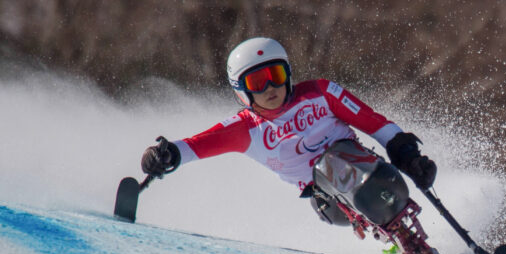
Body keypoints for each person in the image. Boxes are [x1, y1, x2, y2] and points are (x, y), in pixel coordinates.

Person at [141, 37, 436, 226]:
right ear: (242, 92)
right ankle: (392, 239)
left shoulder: (321, 92)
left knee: (357, 170)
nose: (270, 88)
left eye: (276, 76)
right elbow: (196, 145)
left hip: (367, 169)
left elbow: (373, 122)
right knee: (335, 170)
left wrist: (406, 152)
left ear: (289, 75)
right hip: (327, 199)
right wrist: (166, 155)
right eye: (257, 82)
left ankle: (411, 236)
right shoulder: (248, 128)